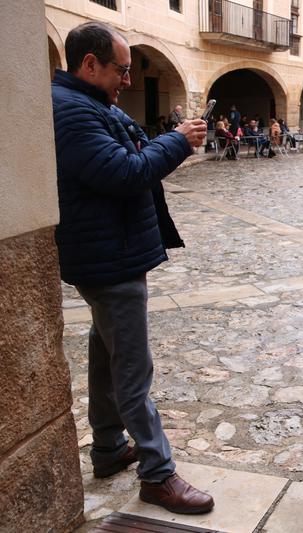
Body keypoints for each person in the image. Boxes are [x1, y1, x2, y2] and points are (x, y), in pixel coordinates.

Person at [51, 21, 214, 514]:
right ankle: (157, 474)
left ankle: (106, 447)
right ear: (89, 64)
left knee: (106, 354)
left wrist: (164, 143)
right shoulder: (73, 111)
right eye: (121, 70)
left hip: (108, 252)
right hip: (108, 258)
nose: (127, 79)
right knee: (132, 368)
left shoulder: (88, 104)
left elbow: (126, 157)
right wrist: (179, 141)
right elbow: (124, 173)